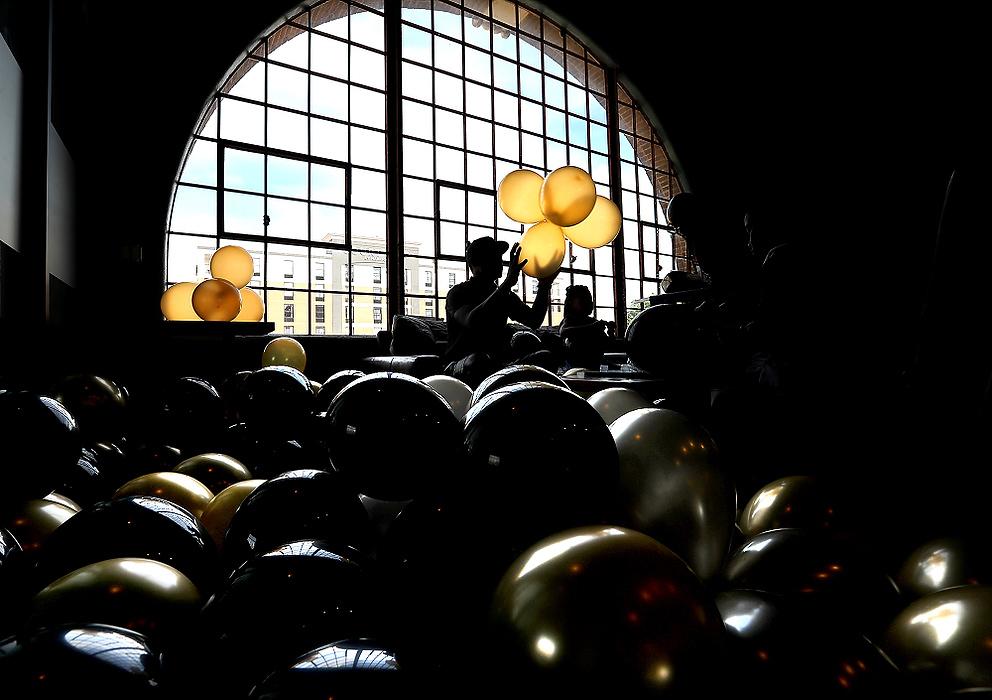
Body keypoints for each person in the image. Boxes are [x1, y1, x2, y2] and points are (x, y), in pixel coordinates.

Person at [443, 236, 559, 387]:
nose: (500, 262)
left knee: (546, 357)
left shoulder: (505, 295)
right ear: (474, 263)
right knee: (478, 360)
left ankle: (505, 375)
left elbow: (534, 320)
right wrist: (507, 284)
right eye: (492, 258)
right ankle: (506, 376)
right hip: (460, 365)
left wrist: (544, 287)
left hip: (497, 365)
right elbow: (473, 321)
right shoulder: (459, 292)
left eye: (499, 257)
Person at [558, 285, 616, 370]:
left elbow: (608, 346)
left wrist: (611, 332)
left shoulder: (592, 322)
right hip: (576, 370)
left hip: (596, 366)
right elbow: (564, 332)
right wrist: (593, 327)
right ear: (571, 303)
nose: (588, 304)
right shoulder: (570, 319)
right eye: (582, 301)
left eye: (589, 301)